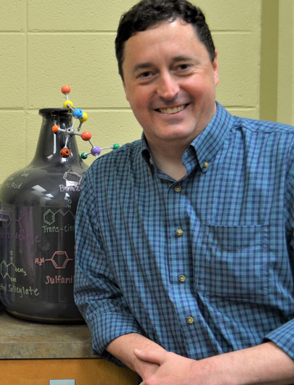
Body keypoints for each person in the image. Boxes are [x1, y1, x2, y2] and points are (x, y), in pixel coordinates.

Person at [73, 0, 294, 383]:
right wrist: (159, 370)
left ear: (214, 67)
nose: (168, 89)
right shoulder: (102, 183)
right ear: (126, 86)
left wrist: (204, 375)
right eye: (145, 74)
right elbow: (98, 297)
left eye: (182, 67)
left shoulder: (286, 159)